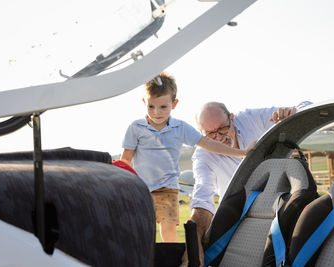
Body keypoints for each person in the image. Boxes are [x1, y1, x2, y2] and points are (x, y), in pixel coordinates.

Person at [120, 73, 255, 242]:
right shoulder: (136, 128)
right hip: (141, 187)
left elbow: (210, 144)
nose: (156, 112)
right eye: (151, 106)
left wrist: (242, 153)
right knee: (140, 229)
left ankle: (173, 259)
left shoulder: (180, 128)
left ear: (174, 104)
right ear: (144, 102)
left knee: (168, 230)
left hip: (166, 187)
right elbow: (126, 160)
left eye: (163, 107)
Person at [180, 100, 311, 266]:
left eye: (222, 128)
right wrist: (194, 242)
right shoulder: (203, 156)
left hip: (281, 206)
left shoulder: (250, 119)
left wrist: (293, 111)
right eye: (210, 134)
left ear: (232, 118)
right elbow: (202, 198)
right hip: (242, 217)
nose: (219, 138)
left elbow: (308, 108)